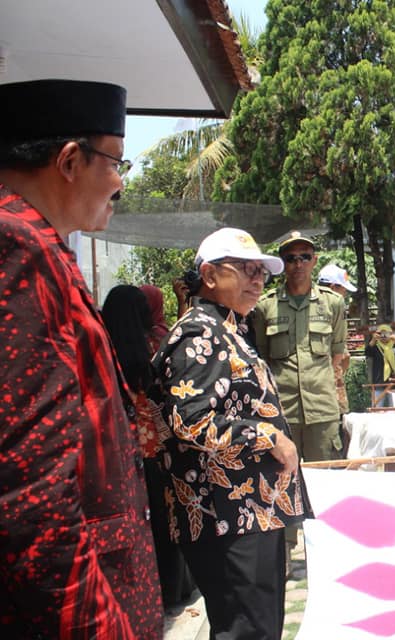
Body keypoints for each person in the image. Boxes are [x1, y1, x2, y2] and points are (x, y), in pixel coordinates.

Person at [0, 79, 162, 637]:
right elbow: (30, 494)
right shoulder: (17, 247)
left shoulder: (41, 245)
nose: (119, 183)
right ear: (70, 161)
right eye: (117, 162)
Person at [154, 227, 309, 639]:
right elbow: (190, 420)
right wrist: (268, 436)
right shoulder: (199, 333)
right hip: (224, 515)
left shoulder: (228, 329)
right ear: (208, 275)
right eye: (244, 269)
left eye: (260, 271)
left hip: (248, 510)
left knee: (255, 627)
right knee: (247, 630)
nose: (257, 279)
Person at [102, 285, 195, 609]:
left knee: (140, 527)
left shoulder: (102, 350)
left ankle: (144, 595)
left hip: (121, 452)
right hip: (159, 448)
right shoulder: (157, 343)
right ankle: (175, 590)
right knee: (167, 521)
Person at [253, 232, 348, 463]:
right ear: (282, 264)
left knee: (325, 478)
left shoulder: (332, 303)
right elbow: (261, 359)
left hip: (322, 410)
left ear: (314, 260)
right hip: (283, 411)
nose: (298, 264)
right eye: (291, 258)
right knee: (282, 482)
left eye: (304, 257)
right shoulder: (265, 306)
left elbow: (337, 352)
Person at [318, 262, 358, 415]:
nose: (345, 295)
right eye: (343, 289)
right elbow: (344, 355)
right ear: (333, 287)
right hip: (332, 383)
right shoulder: (335, 307)